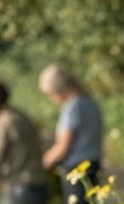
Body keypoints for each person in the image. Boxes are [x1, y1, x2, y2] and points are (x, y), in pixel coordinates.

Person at [39, 63, 105, 194]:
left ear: (58, 89)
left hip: (77, 169)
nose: (51, 98)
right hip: (94, 163)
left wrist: (44, 162)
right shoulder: (90, 102)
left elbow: (63, 146)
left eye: (50, 94)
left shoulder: (72, 107)